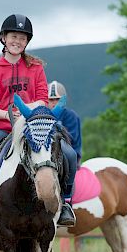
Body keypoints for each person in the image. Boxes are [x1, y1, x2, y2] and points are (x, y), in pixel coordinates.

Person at [0, 14, 76, 231]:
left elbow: (43, 99)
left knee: (70, 155)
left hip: (34, 128)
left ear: (27, 42)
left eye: (22, 38)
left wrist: (29, 114)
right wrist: (8, 115)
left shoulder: (35, 67)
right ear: (3, 38)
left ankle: (65, 203)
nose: (17, 41)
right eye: (13, 36)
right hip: (4, 129)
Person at [47, 80, 82, 219]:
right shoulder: (44, 115)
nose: (54, 103)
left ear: (63, 100)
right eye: (50, 99)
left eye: (57, 99)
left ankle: (67, 203)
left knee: (68, 159)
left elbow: (71, 138)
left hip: (67, 149)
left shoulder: (70, 115)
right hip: (49, 152)